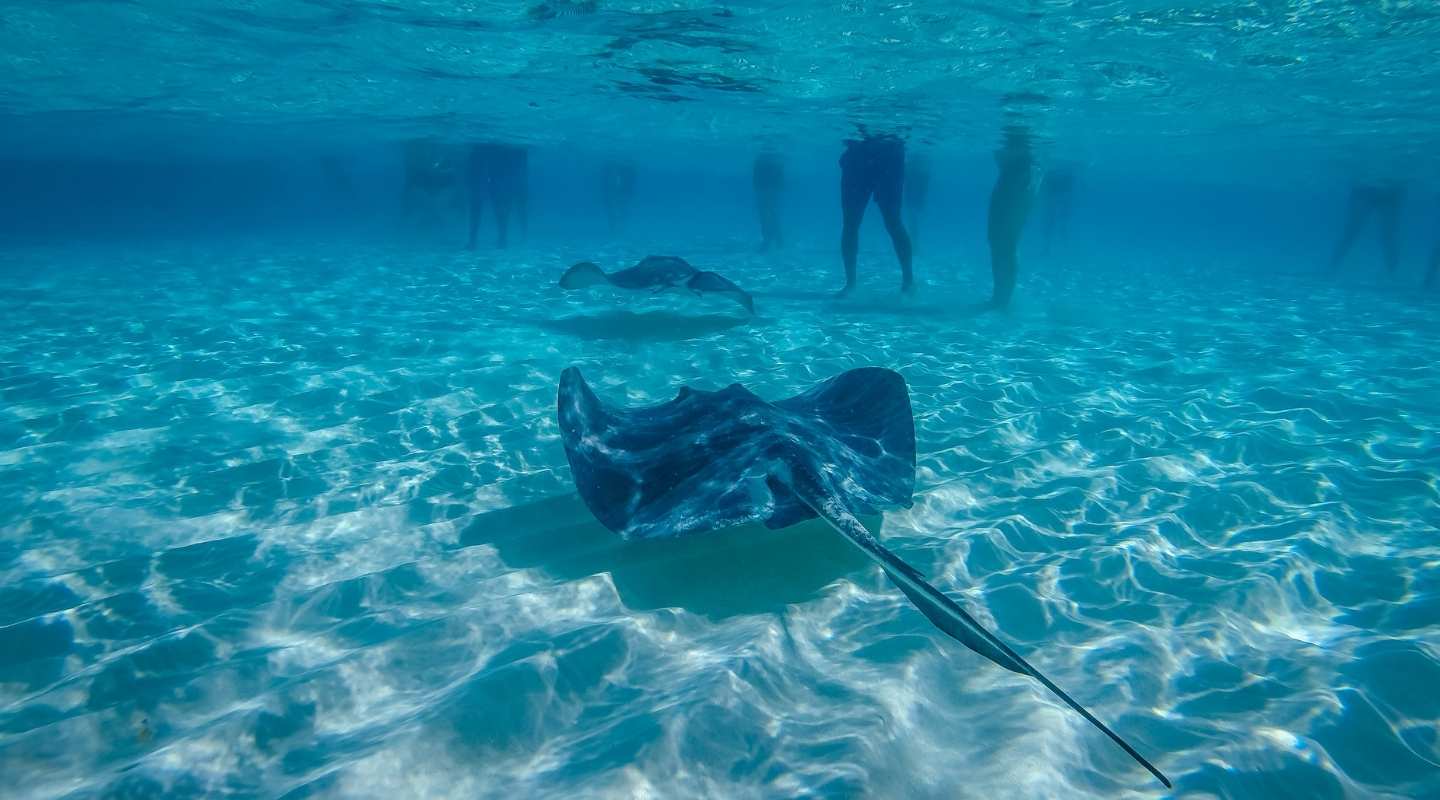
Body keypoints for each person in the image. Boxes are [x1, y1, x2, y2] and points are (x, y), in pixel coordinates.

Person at [838, 132, 913, 296]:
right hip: (861, 156)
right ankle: (850, 283)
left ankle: (908, 281)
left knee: (893, 222)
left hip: (888, 155)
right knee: (851, 223)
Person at [986, 126, 1034, 309]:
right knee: (996, 239)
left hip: (1019, 178)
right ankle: (999, 297)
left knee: (1007, 241)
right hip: (1009, 177)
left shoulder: (1022, 138)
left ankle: (1002, 300)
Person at [1329, 180, 1405, 275]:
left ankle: (1392, 273)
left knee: (1386, 236)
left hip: (1375, 190)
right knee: (1352, 233)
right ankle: (1332, 268)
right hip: (1375, 190)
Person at [467, 143, 528, 249]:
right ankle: (500, 239)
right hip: (498, 164)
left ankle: (476, 240)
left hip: (490, 161)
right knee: (497, 203)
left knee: (483, 203)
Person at [753, 151, 785, 252]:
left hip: (765, 191)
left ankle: (770, 240)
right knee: (770, 214)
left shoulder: (761, 162)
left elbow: (756, 178)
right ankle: (776, 240)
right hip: (768, 191)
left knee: (766, 215)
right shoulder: (773, 162)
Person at [1040, 165, 1075, 256]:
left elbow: (1045, 185)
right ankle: (1058, 246)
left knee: (1056, 222)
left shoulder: (1053, 173)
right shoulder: (1066, 174)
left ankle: (1053, 246)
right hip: (1058, 196)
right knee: (1055, 222)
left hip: (1056, 196)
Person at [601, 160, 637, 235]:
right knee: (617, 209)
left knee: (620, 208)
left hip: (619, 194)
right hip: (617, 195)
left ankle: (618, 230)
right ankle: (617, 230)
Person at [904, 153, 930, 249]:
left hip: (914, 194)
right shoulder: (921, 168)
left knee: (912, 217)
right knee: (912, 218)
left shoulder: (913, 166)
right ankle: (913, 243)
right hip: (913, 193)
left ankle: (913, 244)